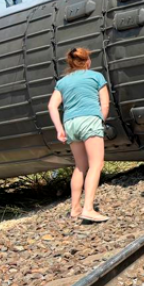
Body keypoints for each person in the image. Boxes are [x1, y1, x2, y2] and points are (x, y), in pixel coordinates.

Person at [47, 48, 110, 223]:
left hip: (70, 123)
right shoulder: (96, 77)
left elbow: (52, 106)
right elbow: (105, 104)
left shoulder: (63, 82)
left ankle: (75, 208)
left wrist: (59, 128)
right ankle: (88, 209)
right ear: (87, 61)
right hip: (89, 119)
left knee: (80, 166)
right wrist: (100, 121)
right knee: (96, 164)